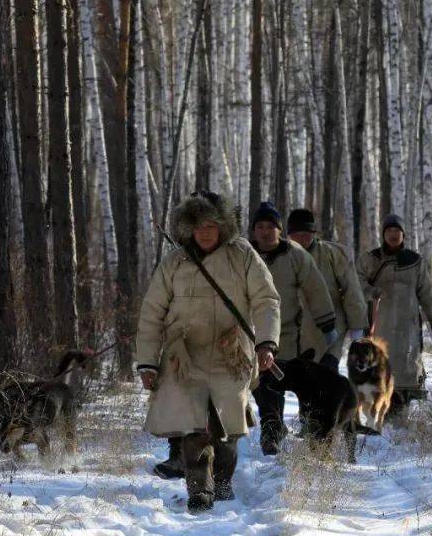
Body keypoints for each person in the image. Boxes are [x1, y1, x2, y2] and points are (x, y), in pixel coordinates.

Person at [135, 192, 280, 513]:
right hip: (184, 357)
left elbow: (265, 300)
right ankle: (200, 488)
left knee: (227, 428)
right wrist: (147, 361)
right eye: (198, 225)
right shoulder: (174, 262)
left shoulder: (242, 254)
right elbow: (151, 312)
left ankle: (224, 480)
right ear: (188, 228)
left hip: (232, 354)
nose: (204, 232)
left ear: (223, 226)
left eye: (211, 225)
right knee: (193, 426)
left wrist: (266, 342)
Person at [249, 202, 338, 454]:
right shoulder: (244, 255)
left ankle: (271, 429)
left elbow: (315, 287)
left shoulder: (295, 255)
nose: (265, 232)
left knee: (271, 380)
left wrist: (327, 323)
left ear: (279, 230)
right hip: (248, 332)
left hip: (284, 331)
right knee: (255, 384)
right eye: (260, 226)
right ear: (254, 230)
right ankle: (273, 424)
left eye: (271, 227)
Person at [357, 214, 432, 413]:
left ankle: (402, 408)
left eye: (397, 231)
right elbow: (356, 282)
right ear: (383, 234)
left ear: (403, 234)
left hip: (408, 326)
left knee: (407, 366)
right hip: (380, 324)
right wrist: (371, 292)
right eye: (389, 231)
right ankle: (379, 410)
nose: (393, 235)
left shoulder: (415, 262)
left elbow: (426, 293)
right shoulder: (371, 259)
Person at [286, 208, 369, 371]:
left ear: (313, 233)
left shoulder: (334, 254)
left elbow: (351, 291)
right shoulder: (283, 257)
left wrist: (357, 326)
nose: (302, 239)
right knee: (306, 386)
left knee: (326, 380)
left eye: (306, 234)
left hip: (332, 331)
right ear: (289, 235)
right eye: (297, 234)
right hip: (299, 335)